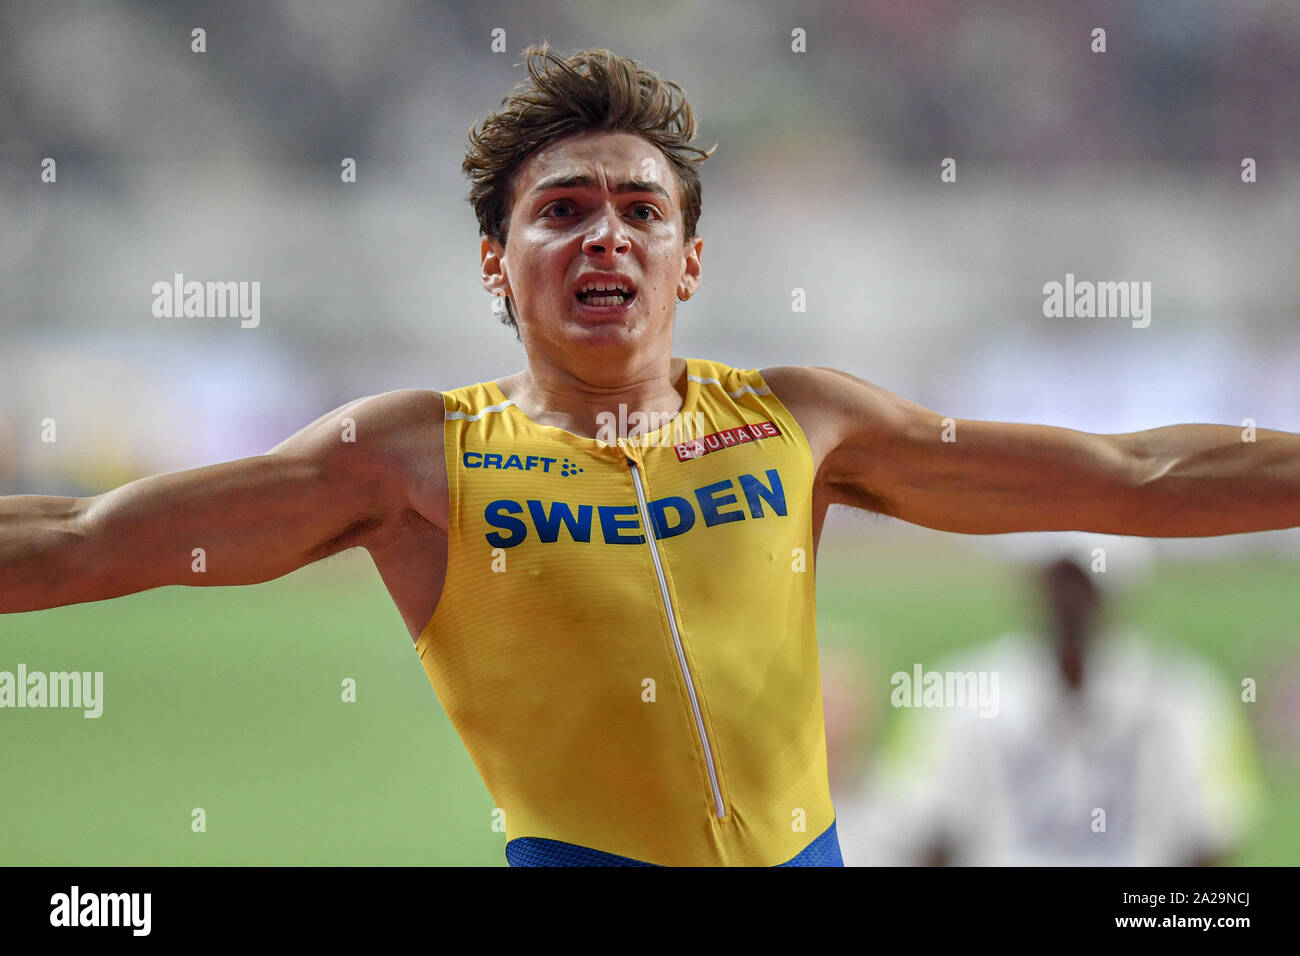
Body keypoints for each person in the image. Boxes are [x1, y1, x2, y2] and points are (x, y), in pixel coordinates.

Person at [2, 44, 1298, 867]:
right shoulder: (413, 460)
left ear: (691, 258)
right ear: (494, 265)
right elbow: (82, 541)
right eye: (560, 212)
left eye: (641, 211)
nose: (604, 239)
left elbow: (1129, 478)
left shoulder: (805, 422)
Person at [833, 558, 1261, 866]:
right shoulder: (959, 690)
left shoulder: (1187, 695)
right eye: (1061, 581)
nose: (1071, 601)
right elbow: (924, 834)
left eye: (1083, 582)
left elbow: (1211, 839)